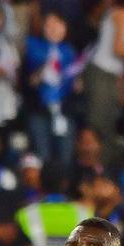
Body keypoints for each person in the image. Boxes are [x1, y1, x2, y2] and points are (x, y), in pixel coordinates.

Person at [85, 0, 124, 164]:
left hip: (113, 75)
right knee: (99, 125)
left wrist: (121, 87)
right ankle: (95, 167)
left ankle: (104, 167)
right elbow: (119, 49)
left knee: (109, 124)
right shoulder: (120, 13)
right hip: (101, 72)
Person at [24, 11, 79, 168]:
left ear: (65, 28)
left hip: (64, 111)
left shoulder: (70, 51)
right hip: (39, 110)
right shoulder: (32, 46)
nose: (53, 29)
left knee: (65, 156)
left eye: (57, 25)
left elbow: (73, 84)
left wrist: (76, 84)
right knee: (42, 155)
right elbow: (26, 81)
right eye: (48, 25)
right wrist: (40, 73)